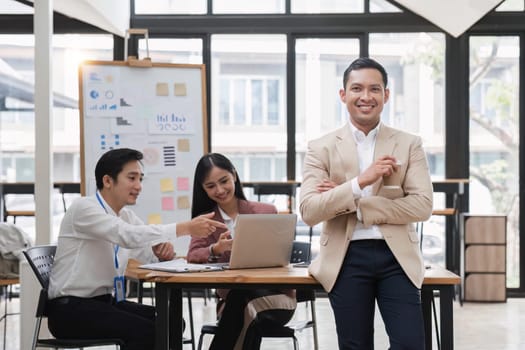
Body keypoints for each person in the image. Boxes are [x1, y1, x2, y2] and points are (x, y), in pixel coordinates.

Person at [300, 57, 433, 350]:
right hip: (345, 257)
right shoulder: (320, 147)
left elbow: (422, 206)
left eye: (375, 89)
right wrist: (359, 183)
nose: (366, 96)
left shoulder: (409, 144)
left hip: (397, 256)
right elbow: (310, 210)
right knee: (355, 346)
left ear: (386, 95)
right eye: (357, 88)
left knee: (410, 344)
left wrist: (355, 203)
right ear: (343, 95)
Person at [47, 148, 227, 350]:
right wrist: (185, 228)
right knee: (148, 332)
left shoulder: (125, 216)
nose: (138, 186)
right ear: (107, 181)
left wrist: (161, 254)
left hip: (104, 303)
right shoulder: (83, 208)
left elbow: (145, 253)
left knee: (173, 323)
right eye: (132, 178)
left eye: (140, 179)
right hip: (71, 310)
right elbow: (127, 236)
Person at [186, 153, 297, 350]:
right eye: (211, 186)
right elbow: (193, 255)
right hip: (231, 302)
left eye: (224, 181)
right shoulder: (206, 220)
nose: (219, 190)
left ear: (234, 176)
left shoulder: (266, 211)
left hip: (277, 299)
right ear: (203, 189)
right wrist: (215, 249)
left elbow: (284, 253)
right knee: (242, 302)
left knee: (244, 304)